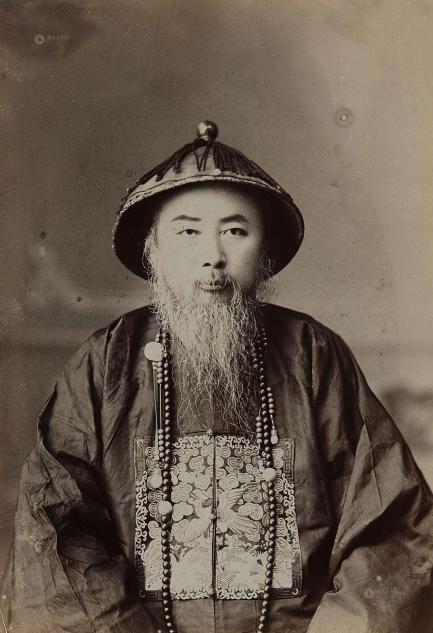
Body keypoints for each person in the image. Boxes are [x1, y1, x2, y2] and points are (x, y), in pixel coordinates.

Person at [3, 121, 433, 633]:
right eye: (187, 232)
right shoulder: (107, 360)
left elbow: (388, 526)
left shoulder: (314, 353)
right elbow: (57, 532)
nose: (213, 256)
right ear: (154, 250)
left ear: (264, 253)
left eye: (235, 231)